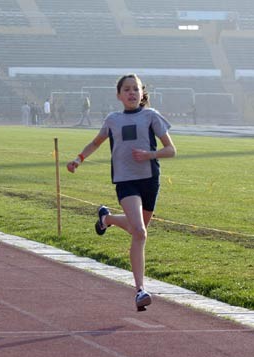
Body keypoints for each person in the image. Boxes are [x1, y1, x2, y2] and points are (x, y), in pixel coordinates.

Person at [66, 74, 176, 311]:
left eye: (135, 89)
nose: (131, 93)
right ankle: (140, 290)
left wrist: (150, 155)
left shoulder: (151, 116)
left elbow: (171, 150)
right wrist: (78, 159)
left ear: (142, 93)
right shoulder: (113, 120)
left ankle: (106, 219)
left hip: (150, 180)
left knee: (137, 229)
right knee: (140, 232)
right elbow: (96, 143)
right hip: (126, 181)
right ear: (118, 95)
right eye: (126, 89)